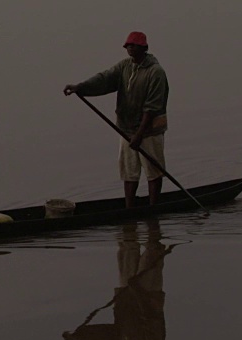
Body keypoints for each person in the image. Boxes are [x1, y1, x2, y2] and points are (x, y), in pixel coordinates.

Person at [63, 31, 169, 208]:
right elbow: (104, 79)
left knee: (154, 171)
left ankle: (153, 209)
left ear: (144, 48)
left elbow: (152, 108)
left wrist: (139, 134)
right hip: (126, 128)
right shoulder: (124, 67)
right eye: (127, 45)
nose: (129, 48)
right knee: (128, 171)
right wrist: (80, 87)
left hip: (149, 130)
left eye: (133, 46)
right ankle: (129, 208)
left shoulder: (155, 72)